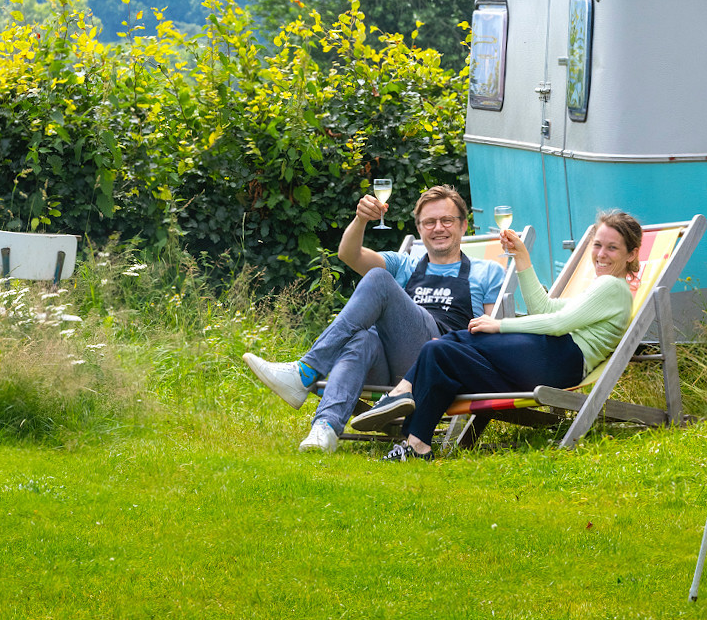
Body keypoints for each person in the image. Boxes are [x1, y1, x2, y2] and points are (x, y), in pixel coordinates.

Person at [350, 210, 641, 461]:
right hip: (550, 361)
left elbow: (557, 323)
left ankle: (400, 393)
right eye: (598, 245)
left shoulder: (612, 287)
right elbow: (544, 308)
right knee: (439, 351)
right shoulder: (603, 287)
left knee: (458, 339)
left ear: (631, 255)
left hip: (562, 356)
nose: (601, 254)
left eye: (612, 248)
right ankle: (418, 445)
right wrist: (522, 257)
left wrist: (499, 325)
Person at [242, 184, 506, 453]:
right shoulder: (404, 264)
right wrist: (360, 220)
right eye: (429, 222)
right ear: (419, 229)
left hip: (438, 358)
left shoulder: (488, 272)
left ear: (463, 226)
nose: (438, 228)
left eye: (447, 220)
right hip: (393, 366)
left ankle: (305, 372)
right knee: (362, 338)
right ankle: (326, 428)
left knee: (379, 279)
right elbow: (349, 255)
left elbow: (490, 334)